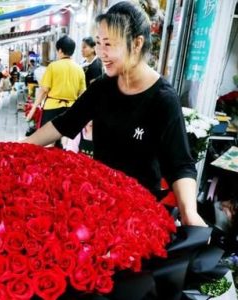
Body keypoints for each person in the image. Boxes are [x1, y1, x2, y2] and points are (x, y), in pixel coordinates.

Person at [24, 1, 206, 227]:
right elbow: (66, 123)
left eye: (108, 44)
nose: (101, 53)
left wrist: (189, 212)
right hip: (98, 204)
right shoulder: (103, 87)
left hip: (137, 214)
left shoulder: (163, 99)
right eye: (99, 43)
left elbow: (180, 164)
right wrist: (19, 147)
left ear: (137, 43)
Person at [26, 35, 86, 148]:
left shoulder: (53, 66)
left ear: (60, 50)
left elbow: (44, 91)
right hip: (71, 110)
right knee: (66, 144)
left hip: (52, 108)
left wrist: (32, 110)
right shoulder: (79, 69)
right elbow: (82, 94)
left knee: (47, 143)